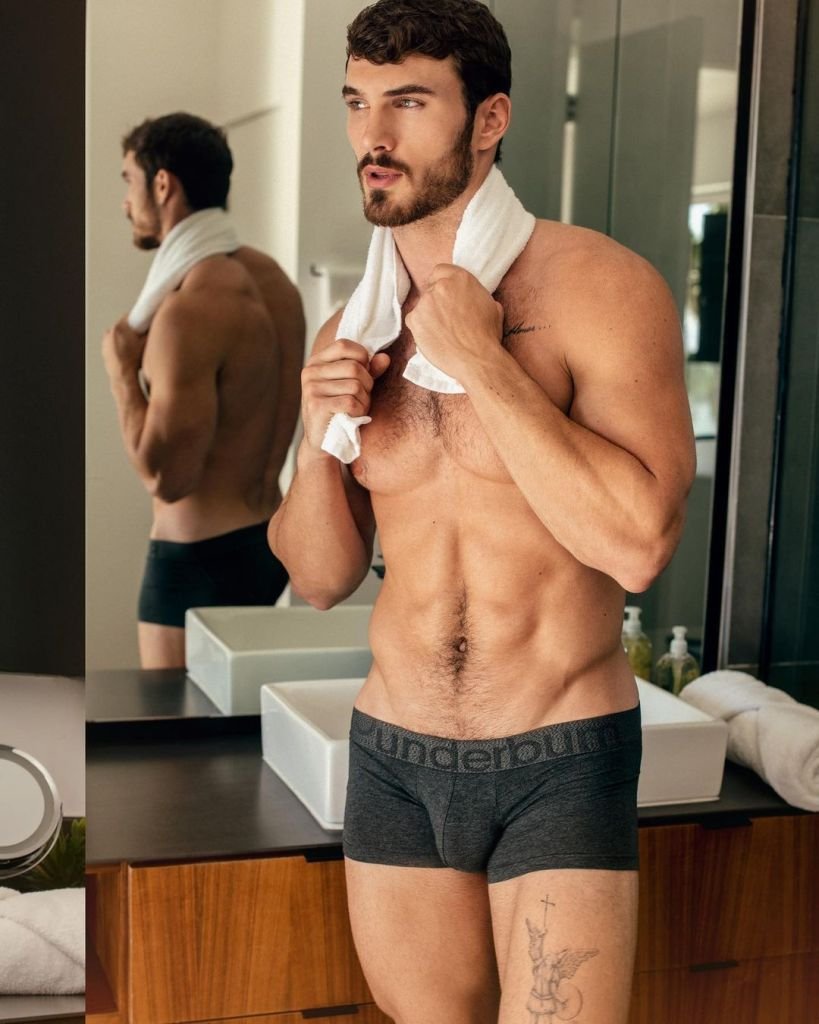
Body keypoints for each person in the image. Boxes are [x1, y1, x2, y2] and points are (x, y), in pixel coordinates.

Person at [269, 2, 695, 1021]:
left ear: (490, 119)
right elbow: (319, 579)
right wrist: (318, 436)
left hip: (559, 752)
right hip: (394, 755)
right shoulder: (352, 329)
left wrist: (481, 361)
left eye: (409, 103)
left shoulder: (602, 288)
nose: (374, 136)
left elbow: (639, 544)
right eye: (357, 103)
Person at [104, 113, 305, 669]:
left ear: (162, 184)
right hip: (267, 540)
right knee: (242, 721)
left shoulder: (189, 309)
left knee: (169, 726)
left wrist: (120, 370)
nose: (125, 202)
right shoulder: (275, 284)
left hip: (195, 560)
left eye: (128, 180)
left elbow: (167, 478)